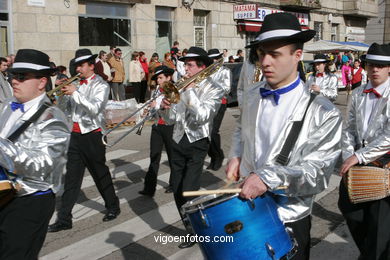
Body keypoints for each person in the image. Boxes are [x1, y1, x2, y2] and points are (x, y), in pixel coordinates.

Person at [226, 13, 342, 260]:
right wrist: (236, 154)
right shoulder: (253, 93)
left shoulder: (324, 111)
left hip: (288, 217)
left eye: (275, 54)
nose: (265, 62)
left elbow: (318, 173)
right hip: (248, 207)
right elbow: (240, 128)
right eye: (261, 53)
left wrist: (267, 178)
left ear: (297, 56)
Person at [0, 49, 71, 259]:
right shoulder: (7, 106)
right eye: (13, 75)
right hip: (4, 191)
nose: (14, 81)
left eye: (22, 77)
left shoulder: (54, 117)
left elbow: (42, 164)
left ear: (41, 82)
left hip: (29, 200)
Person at [160, 46, 230, 248]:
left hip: (198, 142)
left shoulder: (214, 88)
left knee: (188, 191)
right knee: (177, 190)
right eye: (185, 65)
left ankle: (205, 228)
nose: (185, 70)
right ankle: (191, 230)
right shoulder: (182, 86)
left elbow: (202, 116)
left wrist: (189, 92)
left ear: (202, 67)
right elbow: (173, 118)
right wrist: (166, 108)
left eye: (189, 66)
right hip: (178, 139)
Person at [48, 48, 120, 233]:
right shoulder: (76, 83)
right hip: (75, 135)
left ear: (90, 65)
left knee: (99, 173)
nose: (78, 68)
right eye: (76, 65)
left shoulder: (101, 85)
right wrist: (62, 94)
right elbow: (65, 110)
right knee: (71, 178)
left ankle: (113, 206)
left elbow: (95, 109)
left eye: (81, 65)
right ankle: (64, 218)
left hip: (93, 135)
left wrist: (76, 93)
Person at [339, 43, 390, 260]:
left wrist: (359, 156)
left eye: (381, 65)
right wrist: (348, 155)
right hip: (357, 165)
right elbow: (348, 128)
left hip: (384, 167)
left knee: (380, 227)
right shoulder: (359, 93)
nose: (375, 69)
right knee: (350, 210)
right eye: (371, 65)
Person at [139, 65, 175, 197]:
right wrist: (147, 111)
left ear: (168, 77)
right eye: (157, 78)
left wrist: (158, 106)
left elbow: (174, 111)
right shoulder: (156, 91)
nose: (158, 81)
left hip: (170, 126)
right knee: (154, 156)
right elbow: (154, 109)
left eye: (160, 78)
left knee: (173, 157)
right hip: (157, 126)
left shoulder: (173, 90)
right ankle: (149, 188)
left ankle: (174, 183)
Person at [206, 48, 230, 171]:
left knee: (213, 131)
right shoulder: (205, 71)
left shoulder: (224, 71)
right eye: (211, 59)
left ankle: (218, 156)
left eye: (215, 58)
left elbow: (226, 88)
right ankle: (213, 156)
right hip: (207, 103)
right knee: (206, 132)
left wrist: (211, 83)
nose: (213, 61)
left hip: (220, 103)